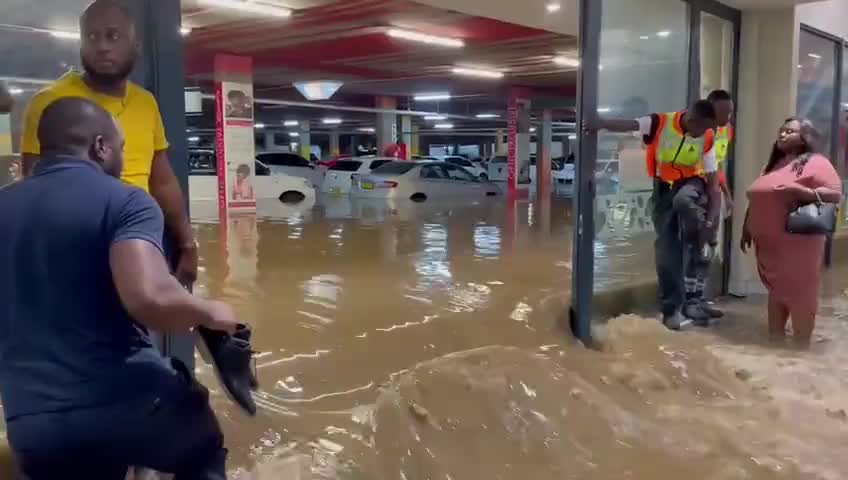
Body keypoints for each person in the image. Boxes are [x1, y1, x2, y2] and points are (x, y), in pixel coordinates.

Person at [0, 97, 238, 478]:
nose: (123, 159)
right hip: (127, 404)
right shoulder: (125, 200)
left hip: (32, 424)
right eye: (122, 147)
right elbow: (150, 297)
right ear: (100, 147)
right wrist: (212, 312)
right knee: (203, 446)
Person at [20, 0, 197, 287]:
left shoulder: (145, 103)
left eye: (112, 36)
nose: (102, 46)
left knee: (142, 324)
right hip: (76, 248)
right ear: (81, 46)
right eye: (91, 37)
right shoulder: (50, 102)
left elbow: (162, 181)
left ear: (135, 44)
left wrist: (187, 243)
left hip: (141, 241)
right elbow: (34, 182)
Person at [588, 100, 721, 329]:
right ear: (691, 120)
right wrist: (601, 124)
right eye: (702, 128)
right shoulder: (660, 123)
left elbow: (712, 181)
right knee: (667, 253)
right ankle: (671, 310)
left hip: (692, 184)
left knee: (684, 202)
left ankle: (696, 231)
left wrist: (710, 220)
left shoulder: (707, 136)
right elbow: (630, 124)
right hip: (663, 191)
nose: (704, 133)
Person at [741, 118, 841, 347]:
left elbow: (834, 194)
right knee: (777, 292)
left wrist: (799, 191)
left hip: (799, 243)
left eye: (789, 131)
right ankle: (776, 346)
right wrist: (746, 227)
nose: (783, 135)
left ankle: (801, 348)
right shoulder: (775, 164)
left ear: (805, 136)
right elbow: (758, 198)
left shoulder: (817, 162)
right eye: (781, 131)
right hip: (769, 247)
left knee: (800, 292)